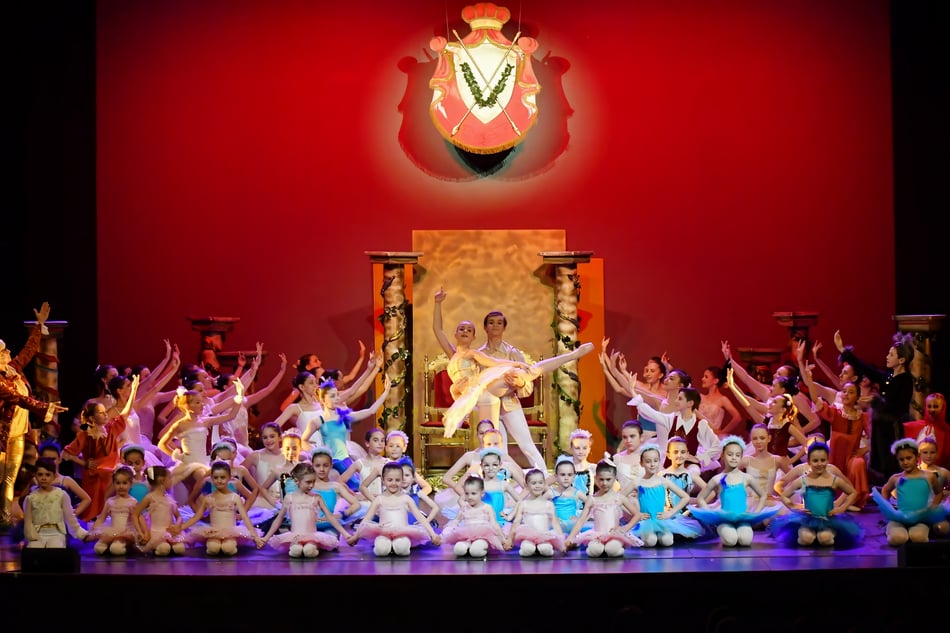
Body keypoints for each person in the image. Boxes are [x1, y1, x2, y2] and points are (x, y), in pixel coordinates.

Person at [433, 288, 593, 469]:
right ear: (484, 328)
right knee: (497, 448)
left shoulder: (507, 353)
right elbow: (439, 332)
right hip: (486, 401)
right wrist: (438, 303)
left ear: (503, 327)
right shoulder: (471, 354)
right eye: (491, 323)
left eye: (499, 323)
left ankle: (542, 476)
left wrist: (520, 381)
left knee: (527, 444)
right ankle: (501, 479)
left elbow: (521, 383)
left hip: (508, 402)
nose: (495, 326)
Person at [1, 301, 67, 529]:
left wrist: (39, 325)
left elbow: (28, 351)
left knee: (10, 478)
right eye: (4, 351)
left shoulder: (13, 369)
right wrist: (45, 407)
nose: (8, 352)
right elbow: (20, 399)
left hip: (17, 433)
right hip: (1, 436)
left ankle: (4, 519)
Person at [835, 329, 916, 484]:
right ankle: (884, 488)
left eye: (891, 354)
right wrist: (842, 350)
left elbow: (898, 406)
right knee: (881, 463)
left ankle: (895, 490)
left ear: (901, 360)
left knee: (891, 461)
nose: (887, 356)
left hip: (892, 428)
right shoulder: (889, 377)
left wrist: (876, 401)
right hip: (881, 426)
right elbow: (866, 368)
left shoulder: (905, 380)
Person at [62, 374, 142, 521]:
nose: (106, 415)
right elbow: (67, 453)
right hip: (94, 475)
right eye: (101, 413)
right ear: (92, 418)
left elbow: (125, 414)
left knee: (113, 495)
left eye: (105, 412)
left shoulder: (111, 428)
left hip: (110, 474)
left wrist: (134, 390)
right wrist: (84, 463)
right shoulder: (86, 434)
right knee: (92, 509)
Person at [799, 361, 871, 512]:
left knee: (858, 463)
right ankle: (836, 500)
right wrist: (809, 378)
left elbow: (873, 437)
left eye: (851, 392)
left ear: (857, 396)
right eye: (844, 392)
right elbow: (816, 400)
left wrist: (864, 450)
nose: (846, 395)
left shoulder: (862, 416)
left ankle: (854, 499)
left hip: (851, 455)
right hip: (836, 455)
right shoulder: (836, 413)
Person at [302, 378, 393, 491]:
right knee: (350, 486)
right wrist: (315, 452)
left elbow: (371, 411)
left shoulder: (344, 417)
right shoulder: (318, 421)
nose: (337, 398)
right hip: (331, 461)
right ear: (323, 400)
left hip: (345, 460)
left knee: (359, 485)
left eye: (337, 395)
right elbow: (303, 440)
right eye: (332, 396)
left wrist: (385, 393)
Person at [690, 436, 781, 546]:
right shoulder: (717, 479)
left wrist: (756, 512)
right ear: (723, 455)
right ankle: (723, 530)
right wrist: (709, 512)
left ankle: (738, 532)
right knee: (731, 540)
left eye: (737, 455)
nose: (734, 458)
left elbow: (762, 495)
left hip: (742, 518)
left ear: (741, 457)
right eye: (730, 454)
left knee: (745, 541)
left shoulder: (746, 478)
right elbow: (700, 498)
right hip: (725, 518)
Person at [626, 378, 723, 481]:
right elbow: (649, 412)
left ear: (690, 403)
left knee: (691, 475)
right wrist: (632, 391)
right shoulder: (671, 419)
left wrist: (698, 458)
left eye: (680, 399)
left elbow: (717, 446)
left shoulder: (700, 425)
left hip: (689, 466)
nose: (676, 401)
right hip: (670, 465)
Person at [770, 440, 863, 547]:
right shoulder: (803, 480)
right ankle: (809, 537)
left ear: (828, 460)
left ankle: (824, 536)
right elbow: (784, 496)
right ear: (809, 462)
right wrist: (794, 506)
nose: (819, 464)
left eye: (823, 460)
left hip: (828, 519)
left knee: (825, 538)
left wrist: (842, 508)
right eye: (815, 460)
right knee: (806, 538)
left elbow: (852, 492)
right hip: (807, 520)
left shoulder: (834, 480)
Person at [260, 462, 356, 558]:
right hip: (295, 536)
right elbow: (279, 519)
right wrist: (266, 538)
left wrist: (346, 534)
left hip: (311, 535)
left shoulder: (316, 498)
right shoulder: (289, 498)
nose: (311, 485)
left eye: (313, 482)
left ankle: (313, 547)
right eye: (308, 482)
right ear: (297, 481)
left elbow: (330, 517)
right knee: (296, 551)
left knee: (309, 551)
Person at [351, 461, 440, 556]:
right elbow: (366, 519)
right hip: (383, 532)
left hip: (402, 532)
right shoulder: (379, 499)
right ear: (383, 480)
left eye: (397, 480)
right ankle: (388, 547)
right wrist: (355, 536)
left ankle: (395, 547)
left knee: (402, 549)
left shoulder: (406, 499)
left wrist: (433, 534)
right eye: (390, 480)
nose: (394, 483)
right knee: (382, 550)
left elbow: (420, 518)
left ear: (402, 480)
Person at [870, 438, 947, 546]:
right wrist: (887, 506)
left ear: (917, 457)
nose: (905, 462)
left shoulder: (929, 476)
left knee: (919, 538)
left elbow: (939, 492)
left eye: (909, 458)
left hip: (920, 517)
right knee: (898, 539)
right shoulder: (896, 478)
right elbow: (885, 489)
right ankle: (890, 528)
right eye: (901, 459)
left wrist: (933, 507)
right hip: (900, 517)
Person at [180, 460, 264, 555]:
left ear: (229, 478)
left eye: (223, 477)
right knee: (213, 548)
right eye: (216, 478)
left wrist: (255, 536)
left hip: (230, 532)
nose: (219, 481)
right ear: (211, 478)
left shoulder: (234, 497)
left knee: (228, 548)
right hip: (214, 531)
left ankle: (230, 547)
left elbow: (245, 517)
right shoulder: (209, 498)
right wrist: (181, 527)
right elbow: (196, 517)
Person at [725, 368, 808, 461]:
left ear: (782, 409)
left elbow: (805, 442)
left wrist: (790, 459)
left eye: (774, 402)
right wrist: (731, 385)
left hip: (779, 462)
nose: (771, 403)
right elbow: (746, 404)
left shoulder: (787, 424)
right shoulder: (767, 422)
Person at [565, 459, 642, 557]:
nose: (604, 483)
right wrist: (570, 538)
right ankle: (599, 549)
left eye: (608, 479)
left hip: (614, 535)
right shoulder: (592, 499)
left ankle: (617, 548)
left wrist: (625, 528)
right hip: (597, 535)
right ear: (596, 478)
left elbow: (637, 515)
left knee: (612, 550)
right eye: (601, 479)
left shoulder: (619, 498)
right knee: (595, 551)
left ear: (615, 478)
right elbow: (581, 521)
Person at [632, 443, 703, 547]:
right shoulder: (660, 476)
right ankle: (650, 535)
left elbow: (687, 497)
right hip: (656, 516)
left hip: (676, 516)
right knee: (652, 540)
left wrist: (695, 505)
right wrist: (637, 513)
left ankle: (660, 535)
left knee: (668, 540)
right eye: (675, 452)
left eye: (682, 452)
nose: (652, 464)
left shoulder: (684, 476)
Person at [22, 457, 89, 549]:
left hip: (56, 533)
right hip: (38, 533)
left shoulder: (61, 495)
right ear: (35, 476)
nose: (44, 478)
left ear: (53, 476)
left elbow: (71, 520)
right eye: (40, 475)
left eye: (47, 475)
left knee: (55, 549)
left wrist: (84, 535)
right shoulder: (30, 498)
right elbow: (28, 523)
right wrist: (28, 538)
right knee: (34, 549)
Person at [441, 474, 510, 558]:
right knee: (459, 549)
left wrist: (502, 538)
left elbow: (494, 523)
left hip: (483, 536)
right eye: (467, 494)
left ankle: (481, 548)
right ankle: (468, 548)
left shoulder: (487, 508)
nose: (469, 497)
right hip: (467, 536)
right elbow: (456, 521)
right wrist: (446, 533)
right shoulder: (464, 508)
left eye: (473, 493)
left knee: (476, 551)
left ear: (482, 493)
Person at [506, 467, 566, 557]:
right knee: (527, 550)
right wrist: (510, 540)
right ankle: (531, 549)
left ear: (544, 484)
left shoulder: (549, 505)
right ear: (527, 486)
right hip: (528, 536)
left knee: (546, 550)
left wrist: (562, 542)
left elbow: (555, 524)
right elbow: (516, 523)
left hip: (544, 535)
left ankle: (540, 548)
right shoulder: (523, 504)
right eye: (533, 483)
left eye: (540, 483)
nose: (537, 486)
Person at [132, 464, 187, 556]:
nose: (171, 481)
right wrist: (142, 531)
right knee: (164, 549)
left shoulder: (169, 499)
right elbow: (135, 514)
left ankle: (168, 545)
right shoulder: (150, 497)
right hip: (157, 533)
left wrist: (177, 525)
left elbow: (179, 516)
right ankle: (158, 548)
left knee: (180, 549)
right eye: (170, 478)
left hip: (170, 532)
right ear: (162, 480)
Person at [89, 465, 139, 555]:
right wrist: (94, 529)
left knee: (116, 549)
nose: (121, 486)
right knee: (98, 548)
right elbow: (101, 518)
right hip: (112, 530)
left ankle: (127, 547)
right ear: (114, 484)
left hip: (125, 532)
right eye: (118, 483)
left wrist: (140, 533)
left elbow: (137, 519)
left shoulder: (132, 502)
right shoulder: (110, 501)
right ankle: (110, 545)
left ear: (130, 484)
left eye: (124, 483)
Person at [37, 439, 91, 519]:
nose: (51, 462)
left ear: (59, 460)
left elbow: (87, 499)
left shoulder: (66, 480)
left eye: (53, 459)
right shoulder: (35, 480)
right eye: (47, 459)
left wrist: (74, 514)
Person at [904, 392, 950, 469]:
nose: (932, 410)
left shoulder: (947, 431)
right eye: (929, 406)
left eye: (935, 406)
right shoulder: (914, 427)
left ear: (942, 408)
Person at [917, 436, 950, 536]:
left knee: (943, 529)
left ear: (936, 453)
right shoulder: (913, 472)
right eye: (925, 452)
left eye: (932, 452)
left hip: (936, 511)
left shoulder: (943, 472)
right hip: (918, 511)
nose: (929, 456)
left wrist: (947, 494)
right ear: (919, 454)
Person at [550, 455, 589, 535]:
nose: (566, 478)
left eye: (569, 475)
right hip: (555, 527)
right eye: (563, 475)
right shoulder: (551, 492)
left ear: (574, 476)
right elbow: (540, 505)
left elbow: (592, 505)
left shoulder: (576, 492)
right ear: (556, 476)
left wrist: (583, 518)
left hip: (572, 526)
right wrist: (551, 518)